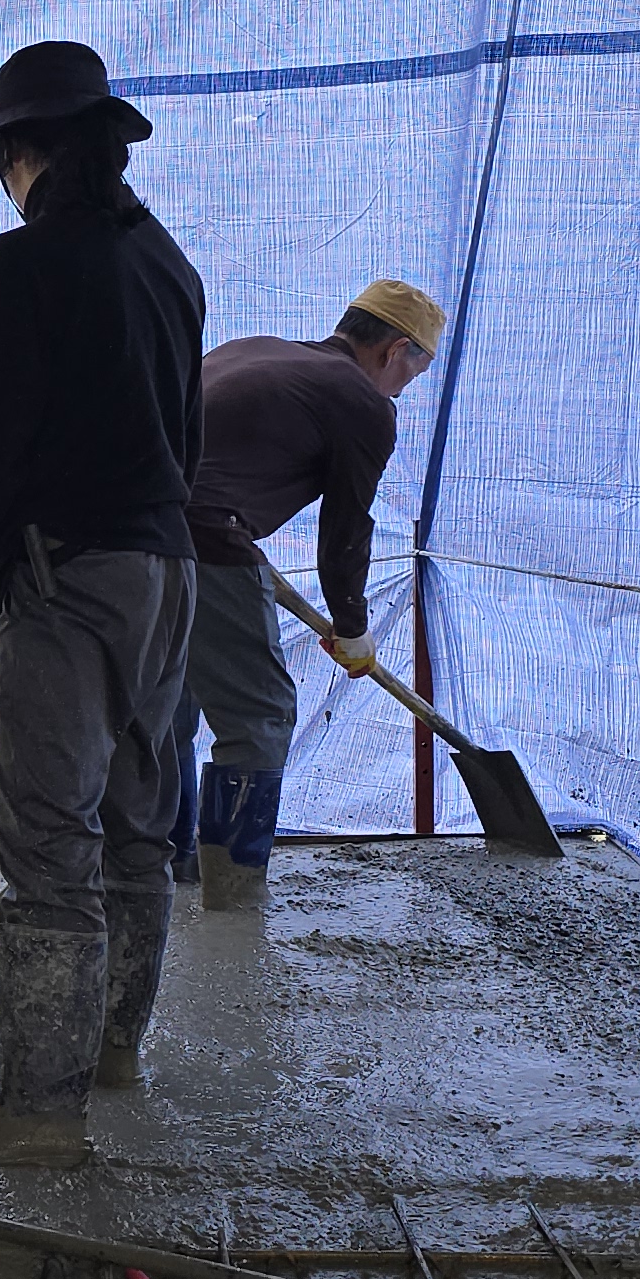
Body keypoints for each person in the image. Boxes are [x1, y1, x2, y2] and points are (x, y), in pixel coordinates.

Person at [0, 40, 208, 1169]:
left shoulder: (25, 262)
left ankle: (38, 1114)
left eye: (4, 163)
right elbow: (184, 434)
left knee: (48, 842)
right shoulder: (167, 262)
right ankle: (113, 1053)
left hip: (68, 582)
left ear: (24, 154)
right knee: (138, 827)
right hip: (166, 574)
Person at [179, 280, 442, 912]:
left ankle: (165, 859)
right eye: (413, 372)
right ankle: (233, 895)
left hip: (129, 538)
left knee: (167, 706)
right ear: (395, 350)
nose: (404, 388)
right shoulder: (362, 401)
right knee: (260, 714)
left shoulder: (252, 349)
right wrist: (352, 627)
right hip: (207, 539)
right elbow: (346, 529)